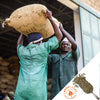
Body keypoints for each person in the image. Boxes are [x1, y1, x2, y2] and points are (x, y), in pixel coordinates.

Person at [14, 9, 62, 100]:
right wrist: (50, 18)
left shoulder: (22, 51)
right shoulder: (43, 48)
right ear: (39, 41)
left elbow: (19, 44)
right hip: (37, 90)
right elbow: (59, 36)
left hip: (21, 88)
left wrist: (22, 31)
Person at [48, 23, 80, 99]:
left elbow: (74, 44)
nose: (65, 46)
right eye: (63, 44)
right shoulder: (54, 57)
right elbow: (43, 55)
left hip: (69, 88)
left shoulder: (73, 56)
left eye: (67, 45)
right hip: (56, 89)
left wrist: (62, 30)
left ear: (70, 47)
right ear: (60, 46)